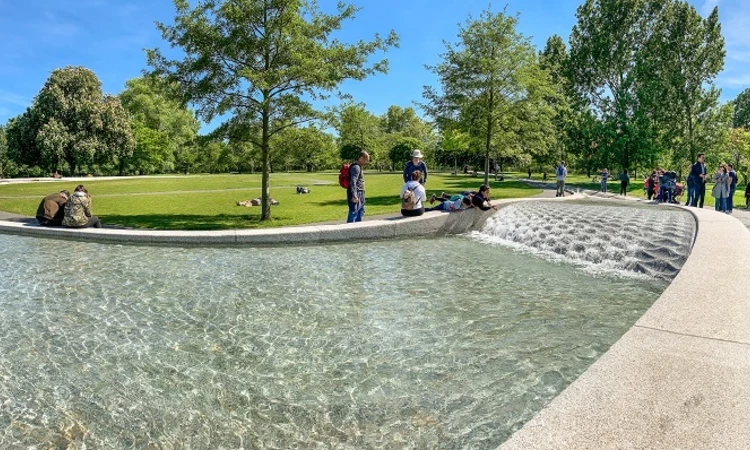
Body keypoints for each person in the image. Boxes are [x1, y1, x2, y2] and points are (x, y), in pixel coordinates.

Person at [347, 151, 370, 223]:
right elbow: (353, 182)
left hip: (360, 193)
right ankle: (349, 231)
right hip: (357, 194)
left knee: (361, 211)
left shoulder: (358, 167)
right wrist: (354, 195)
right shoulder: (356, 167)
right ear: (361, 158)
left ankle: (358, 231)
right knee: (354, 213)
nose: (367, 162)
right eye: (367, 159)